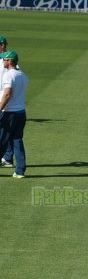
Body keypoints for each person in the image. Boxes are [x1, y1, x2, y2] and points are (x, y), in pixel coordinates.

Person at [0, 50, 29, 178]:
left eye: (5, 60)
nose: (3, 61)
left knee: (1, 140)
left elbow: (7, 94)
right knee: (17, 140)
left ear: (10, 61)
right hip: (21, 113)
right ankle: (20, 171)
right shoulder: (22, 75)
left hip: (9, 114)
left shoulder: (8, 75)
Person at [0, 35, 15, 168]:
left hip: (3, 99)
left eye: (3, 44)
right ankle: (8, 157)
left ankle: (8, 157)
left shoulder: (8, 59)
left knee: (4, 130)